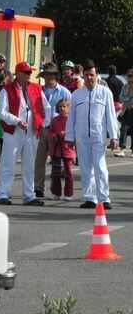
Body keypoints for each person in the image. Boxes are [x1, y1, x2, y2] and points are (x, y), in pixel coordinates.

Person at [66, 62, 120, 209]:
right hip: (81, 137)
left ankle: (104, 198)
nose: (90, 77)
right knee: (85, 167)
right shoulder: (76, 94)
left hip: (98, 136)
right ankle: (90, 198)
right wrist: (69, 137)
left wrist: (114, 136)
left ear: (97, 75)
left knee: (100, 166)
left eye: (92, 75)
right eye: (87, 75)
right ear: (83, 75)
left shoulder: (105, 92)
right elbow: (71, 118)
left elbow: (111, 116)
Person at [0, 62, 50, 206]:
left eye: (29, 73)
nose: (28, 76)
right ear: (18, 74)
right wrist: (17, 121)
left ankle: (29, 195)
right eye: (26, 73)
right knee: (8, 163)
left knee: (29, 165)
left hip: (31, 132)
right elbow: (1, 113)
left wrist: (44, 124)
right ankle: (2, 194)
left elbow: (48, 108)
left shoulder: (37, 88)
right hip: (13, 132)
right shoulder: (6, 90)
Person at [33, 63, 70, 198]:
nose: (49, 77)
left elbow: (70, 114)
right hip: (42, 130)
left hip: (59, 131)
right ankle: (38, 188)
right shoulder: (38, 91)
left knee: (59, 162)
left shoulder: (64, 92)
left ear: (56, 76)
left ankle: (59, 190)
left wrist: (68, 133)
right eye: (46, 74)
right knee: (39, 160)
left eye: (51, 74)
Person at [47, 97, 76, 201]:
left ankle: (69, 194)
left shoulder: (71, 119)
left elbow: (73, 131)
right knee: (55, 173)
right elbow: (50, 132)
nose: (62, 109)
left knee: (68, 173)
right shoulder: (54, 120)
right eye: (59, 107)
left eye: (64, 106)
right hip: (57, 150)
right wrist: (54, 136)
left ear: (68, 107)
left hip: (67, 149)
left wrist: (63, 134)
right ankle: (56, 193)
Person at [116, 67, 133, 157]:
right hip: (125, 110)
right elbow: (120, 97)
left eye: (131, 76)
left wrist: (128, 100)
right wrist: (129, 99)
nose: (129, 78)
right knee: (123, 130)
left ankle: (132, 151)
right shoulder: (125, 86)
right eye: (128, 76)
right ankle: (121, 149)